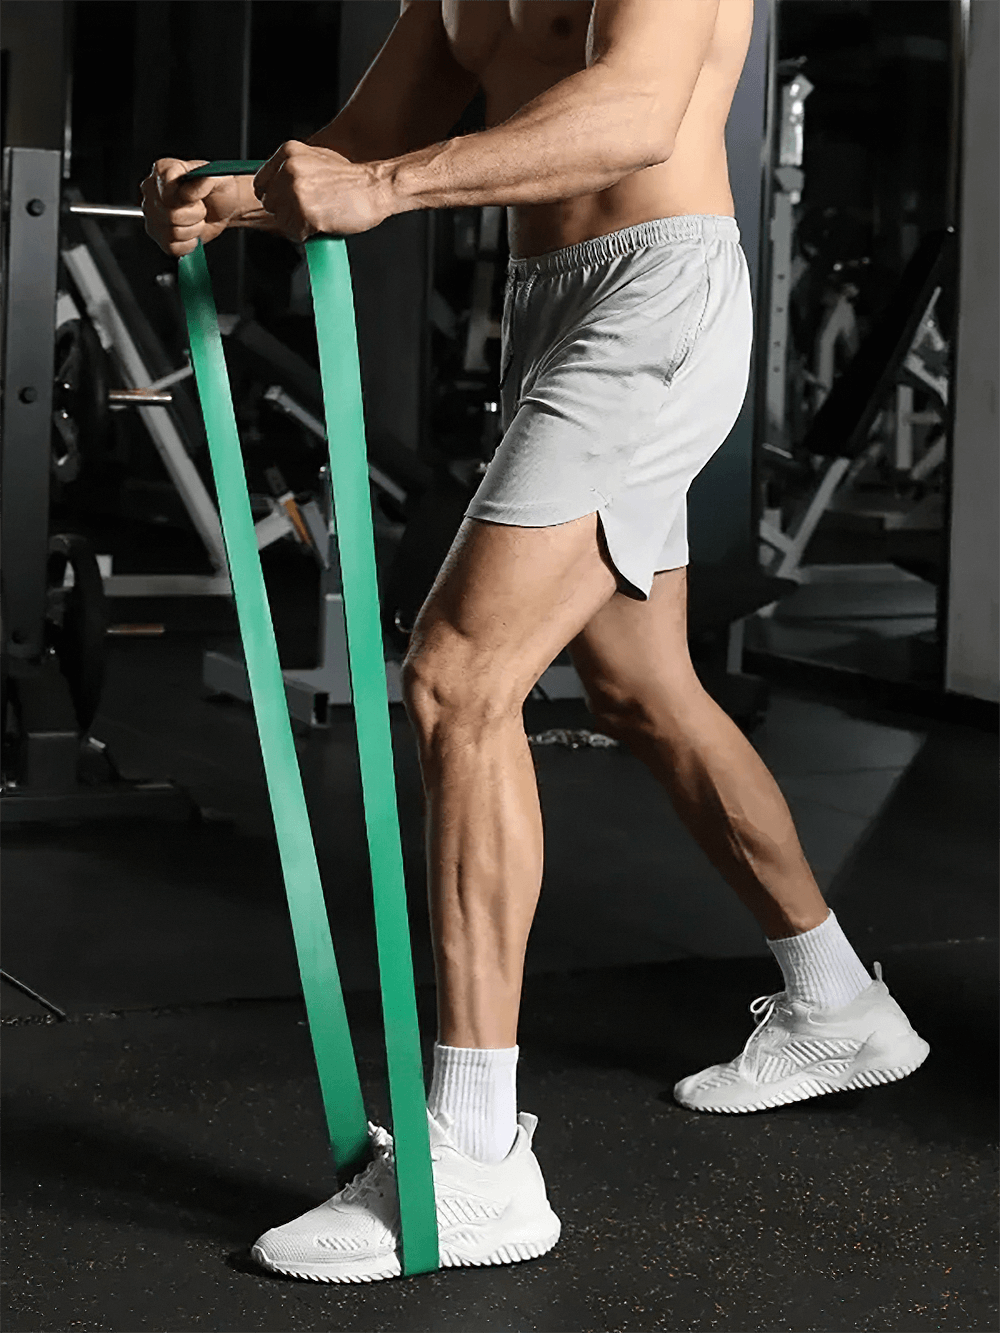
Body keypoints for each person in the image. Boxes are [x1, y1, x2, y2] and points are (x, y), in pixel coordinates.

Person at [142, 0, 929, 1285]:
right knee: (638, 683)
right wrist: (228, 194)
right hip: (551, 302)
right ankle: (836, 997)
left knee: (458, 674)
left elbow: (628, 114)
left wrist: (385, 188)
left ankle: (474, 1164)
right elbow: (354, 143)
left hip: (656, 291)